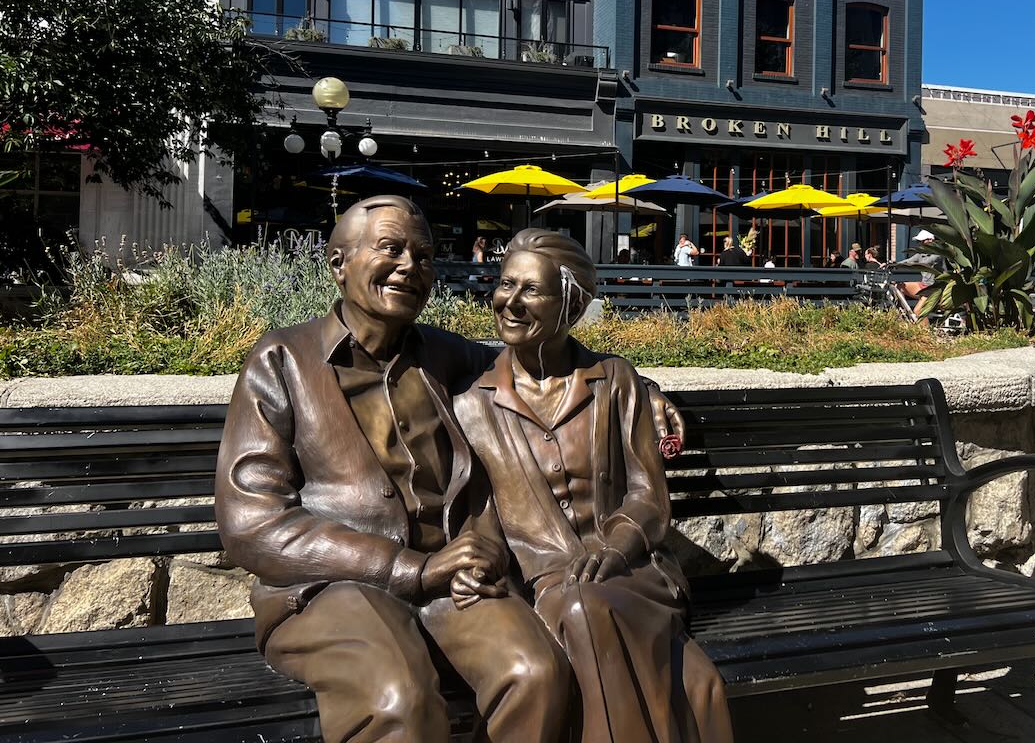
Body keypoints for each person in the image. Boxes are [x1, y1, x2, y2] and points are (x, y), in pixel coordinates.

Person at [216, 196, 571, 743]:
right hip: (329, 589)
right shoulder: (282, 360)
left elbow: (549, 365)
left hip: (452, 580)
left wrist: (641, 391)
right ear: (339, 264)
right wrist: (405, 569)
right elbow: (252, 523)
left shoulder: (450, 358)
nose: (411, 265)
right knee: (397, 698)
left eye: (425, 256)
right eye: (391, 248)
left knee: (537, 674)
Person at [454, 230, 734, 743]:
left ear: (572, 305)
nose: (509, 302)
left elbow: (648, 494)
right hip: (545, 584)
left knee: (619, 629)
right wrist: (475, 566)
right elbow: (481, 518)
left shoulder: (615, 382)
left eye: (530, 290)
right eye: (504, 284)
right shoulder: (474, 406)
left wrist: (616, 543)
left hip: (633, 571)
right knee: (582, 608)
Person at [899, 229, 944, 313]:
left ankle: (924, 326)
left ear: (930, 240)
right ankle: (903, 313)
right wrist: (891, 264)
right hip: (923, 285)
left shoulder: (937, 254)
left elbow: (928, 262)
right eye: (919, 242)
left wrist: (915, 263)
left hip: (933, 288)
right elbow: (908, 261)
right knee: (900, 287)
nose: (920, 244)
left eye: (922, 241)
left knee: (918, 311)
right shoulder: (920, 254)